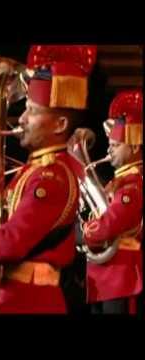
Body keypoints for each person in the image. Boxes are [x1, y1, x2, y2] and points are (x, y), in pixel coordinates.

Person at [0, 45, 97, 313]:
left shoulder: (52, 177)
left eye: (32, 111)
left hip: (29, 300)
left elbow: (11, 241)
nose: (22, 118)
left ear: (59, 125)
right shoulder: (32, 171)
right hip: (12, 297)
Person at [83, 89, 142, 314]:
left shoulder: (133, 185)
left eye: (116, 146)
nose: (109, 150)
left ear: (135, 147)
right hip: (104, 275)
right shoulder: (119, 182)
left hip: (121, 275)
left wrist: (82, 232)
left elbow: (109, 225)